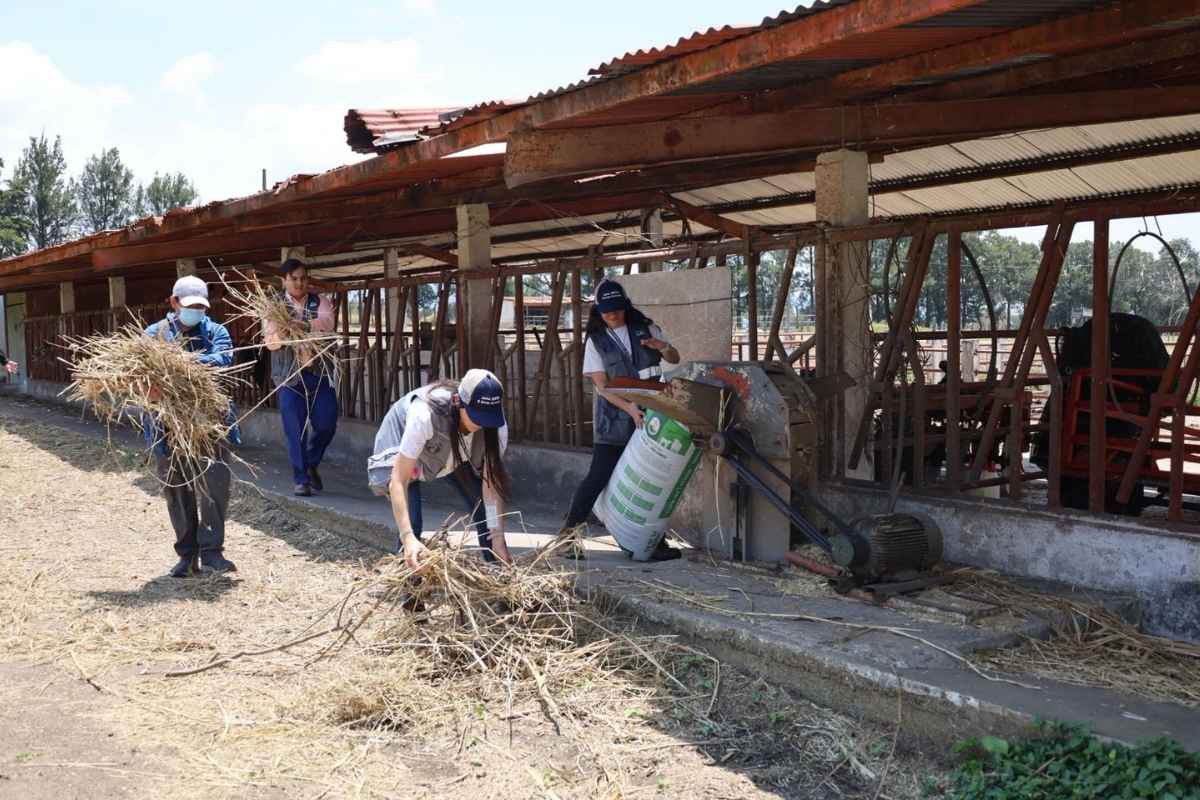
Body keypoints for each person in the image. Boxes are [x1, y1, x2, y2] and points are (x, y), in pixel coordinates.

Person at [561, 279, 682, 560]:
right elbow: (602, 387)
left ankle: (651, 543)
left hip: (652, 413)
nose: (612, 315)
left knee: (651, 478)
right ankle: (566, 539)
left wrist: (663, 346)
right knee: (597, 478)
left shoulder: (647, 328)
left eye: (616, 308)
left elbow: (674, 358)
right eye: (606, 310)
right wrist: (630, 409)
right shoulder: (596, 341)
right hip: (614, 419)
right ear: (598, 310)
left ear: (625, 306)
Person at [367, 369, 513, 568]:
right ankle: (410, 578)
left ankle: (497, 571)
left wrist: (497, 537)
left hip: (453, 453)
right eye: (477, 416)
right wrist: (407, 537)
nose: (482, 424)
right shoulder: (424, 415)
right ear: (458, 401)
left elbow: (491, 485)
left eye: (488, 418)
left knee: (485, 512)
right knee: (413, 523)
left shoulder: (496, 424)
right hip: (409, 455)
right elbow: (398, 480)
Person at [145, 275, 238, 578]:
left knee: (215, 486)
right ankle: (187, 555)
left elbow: (223, 360)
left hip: (210, 422)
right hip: (167, 424)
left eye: (201, 307)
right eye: (190, 306)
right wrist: (150, 386)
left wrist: (181, 364)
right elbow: (142, 375)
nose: (196, 312)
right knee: (176, 489)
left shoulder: (216, 331)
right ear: (174, 302)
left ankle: (212, 553)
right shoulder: (154, 335)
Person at [264, 258, 338, 497]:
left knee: (327, 423)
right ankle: (301, 479)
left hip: (319, 372)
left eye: (303, 278)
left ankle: (311, 462)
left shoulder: (320, 301)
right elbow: (271, 343)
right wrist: (283, 332)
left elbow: (327, 323)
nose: (299, 283)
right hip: (289, 376)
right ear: (284, 280)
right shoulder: (273, 306)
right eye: (294, 278)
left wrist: (302, 324)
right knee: (295, 429)